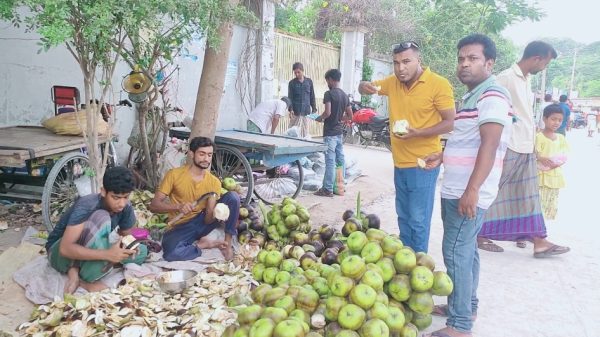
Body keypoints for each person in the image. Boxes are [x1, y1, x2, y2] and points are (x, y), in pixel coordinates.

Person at [423, 33, 514, 337]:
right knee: (467, 252)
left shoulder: (493, 96)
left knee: (455, 252)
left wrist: (472, 190)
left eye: (472, 59)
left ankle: (460, 325)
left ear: (489, 63)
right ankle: (465, 306)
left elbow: (489, 145)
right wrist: (443, 154)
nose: (464, 64)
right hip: (456, 188)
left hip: (468, 192)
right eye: (461, 58)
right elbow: (466, 140)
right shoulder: (471, 97)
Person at [358, 41, 455, 253]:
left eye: (406, 61)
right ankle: (406, 263)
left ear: (418, 60)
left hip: (423, 163)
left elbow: (450, 121)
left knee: (418, 220)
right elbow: (368, 86)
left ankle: (419, 264)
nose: (401, 68)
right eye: (396, 63)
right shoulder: (393, 83)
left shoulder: (438, 84)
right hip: (399, 162)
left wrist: (418, 132)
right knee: (403, 217)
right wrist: (363, 85)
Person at [477, 41, 570, 257]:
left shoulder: (525, 80)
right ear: (536, 58)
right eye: (545, 63)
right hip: (509, 145)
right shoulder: (506, 78)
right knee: (493, 190)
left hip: (526, 146)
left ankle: (539, 241)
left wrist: (536, 149)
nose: (544, 68)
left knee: (527, 195)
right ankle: (478, 233)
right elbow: (491, 107)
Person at [46, 166, 148, 294]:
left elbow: (126, 235)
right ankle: (78, 274)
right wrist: (108, 255)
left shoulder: (125, 207)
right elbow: (65, 249)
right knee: (101, 216)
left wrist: (131, 246)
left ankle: (87, 268)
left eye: (126, 197)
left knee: (142, 251)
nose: (121, 203)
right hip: (59, 253)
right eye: (116, 197)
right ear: (103, 192)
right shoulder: (87, 205)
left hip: (92, 247)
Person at [149, 136, 240, 261]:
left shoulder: (214, 182)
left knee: (233, 197)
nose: (206, 159)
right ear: (191, 154)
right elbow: (154, 205)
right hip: (182, 225)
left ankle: (227, 244)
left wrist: (213, 210)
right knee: (171, 254)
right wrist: (178, 206)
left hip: (203, 221)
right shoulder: (174, 175)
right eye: (202, 154)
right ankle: (203, 245)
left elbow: (208, 220)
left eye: (209, 155)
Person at [311, 69, 353, 197]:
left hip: (329, 133)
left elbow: (328, 112)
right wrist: (340, 119)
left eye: (327, 80)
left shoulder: (329, 94)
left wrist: (319, 118)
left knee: (330, 161)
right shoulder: (344, 95)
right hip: (339, 132)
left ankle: (327, 189)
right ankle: (340, 187)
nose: (327, 83)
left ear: (330, 79)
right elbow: (350, 115)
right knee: (340, 159)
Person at [536, 104, 569, 221]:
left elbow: (564, 155)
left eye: (560, 120)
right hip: (540, 176)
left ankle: (542, 229)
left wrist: (557, 163)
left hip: (554, 177)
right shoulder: (538, 136)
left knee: (550, 204)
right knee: (537, 204)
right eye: (553, 119)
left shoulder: (561, 138)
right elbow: (536, 154)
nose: (556, 123)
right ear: (545, 119)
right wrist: (541, 158)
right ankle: (536, 230)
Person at [288, 62, 317, 138]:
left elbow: (312, 96)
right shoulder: (292, 83)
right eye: (295, 73)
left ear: (302, 71)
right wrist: (291, 109)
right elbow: (290, 97)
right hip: (295, 112)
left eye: (298, 72)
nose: (297, 74)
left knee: (304, 133)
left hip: (306, 112)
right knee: (292, 132)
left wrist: (314, 109)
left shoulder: (309, 82)